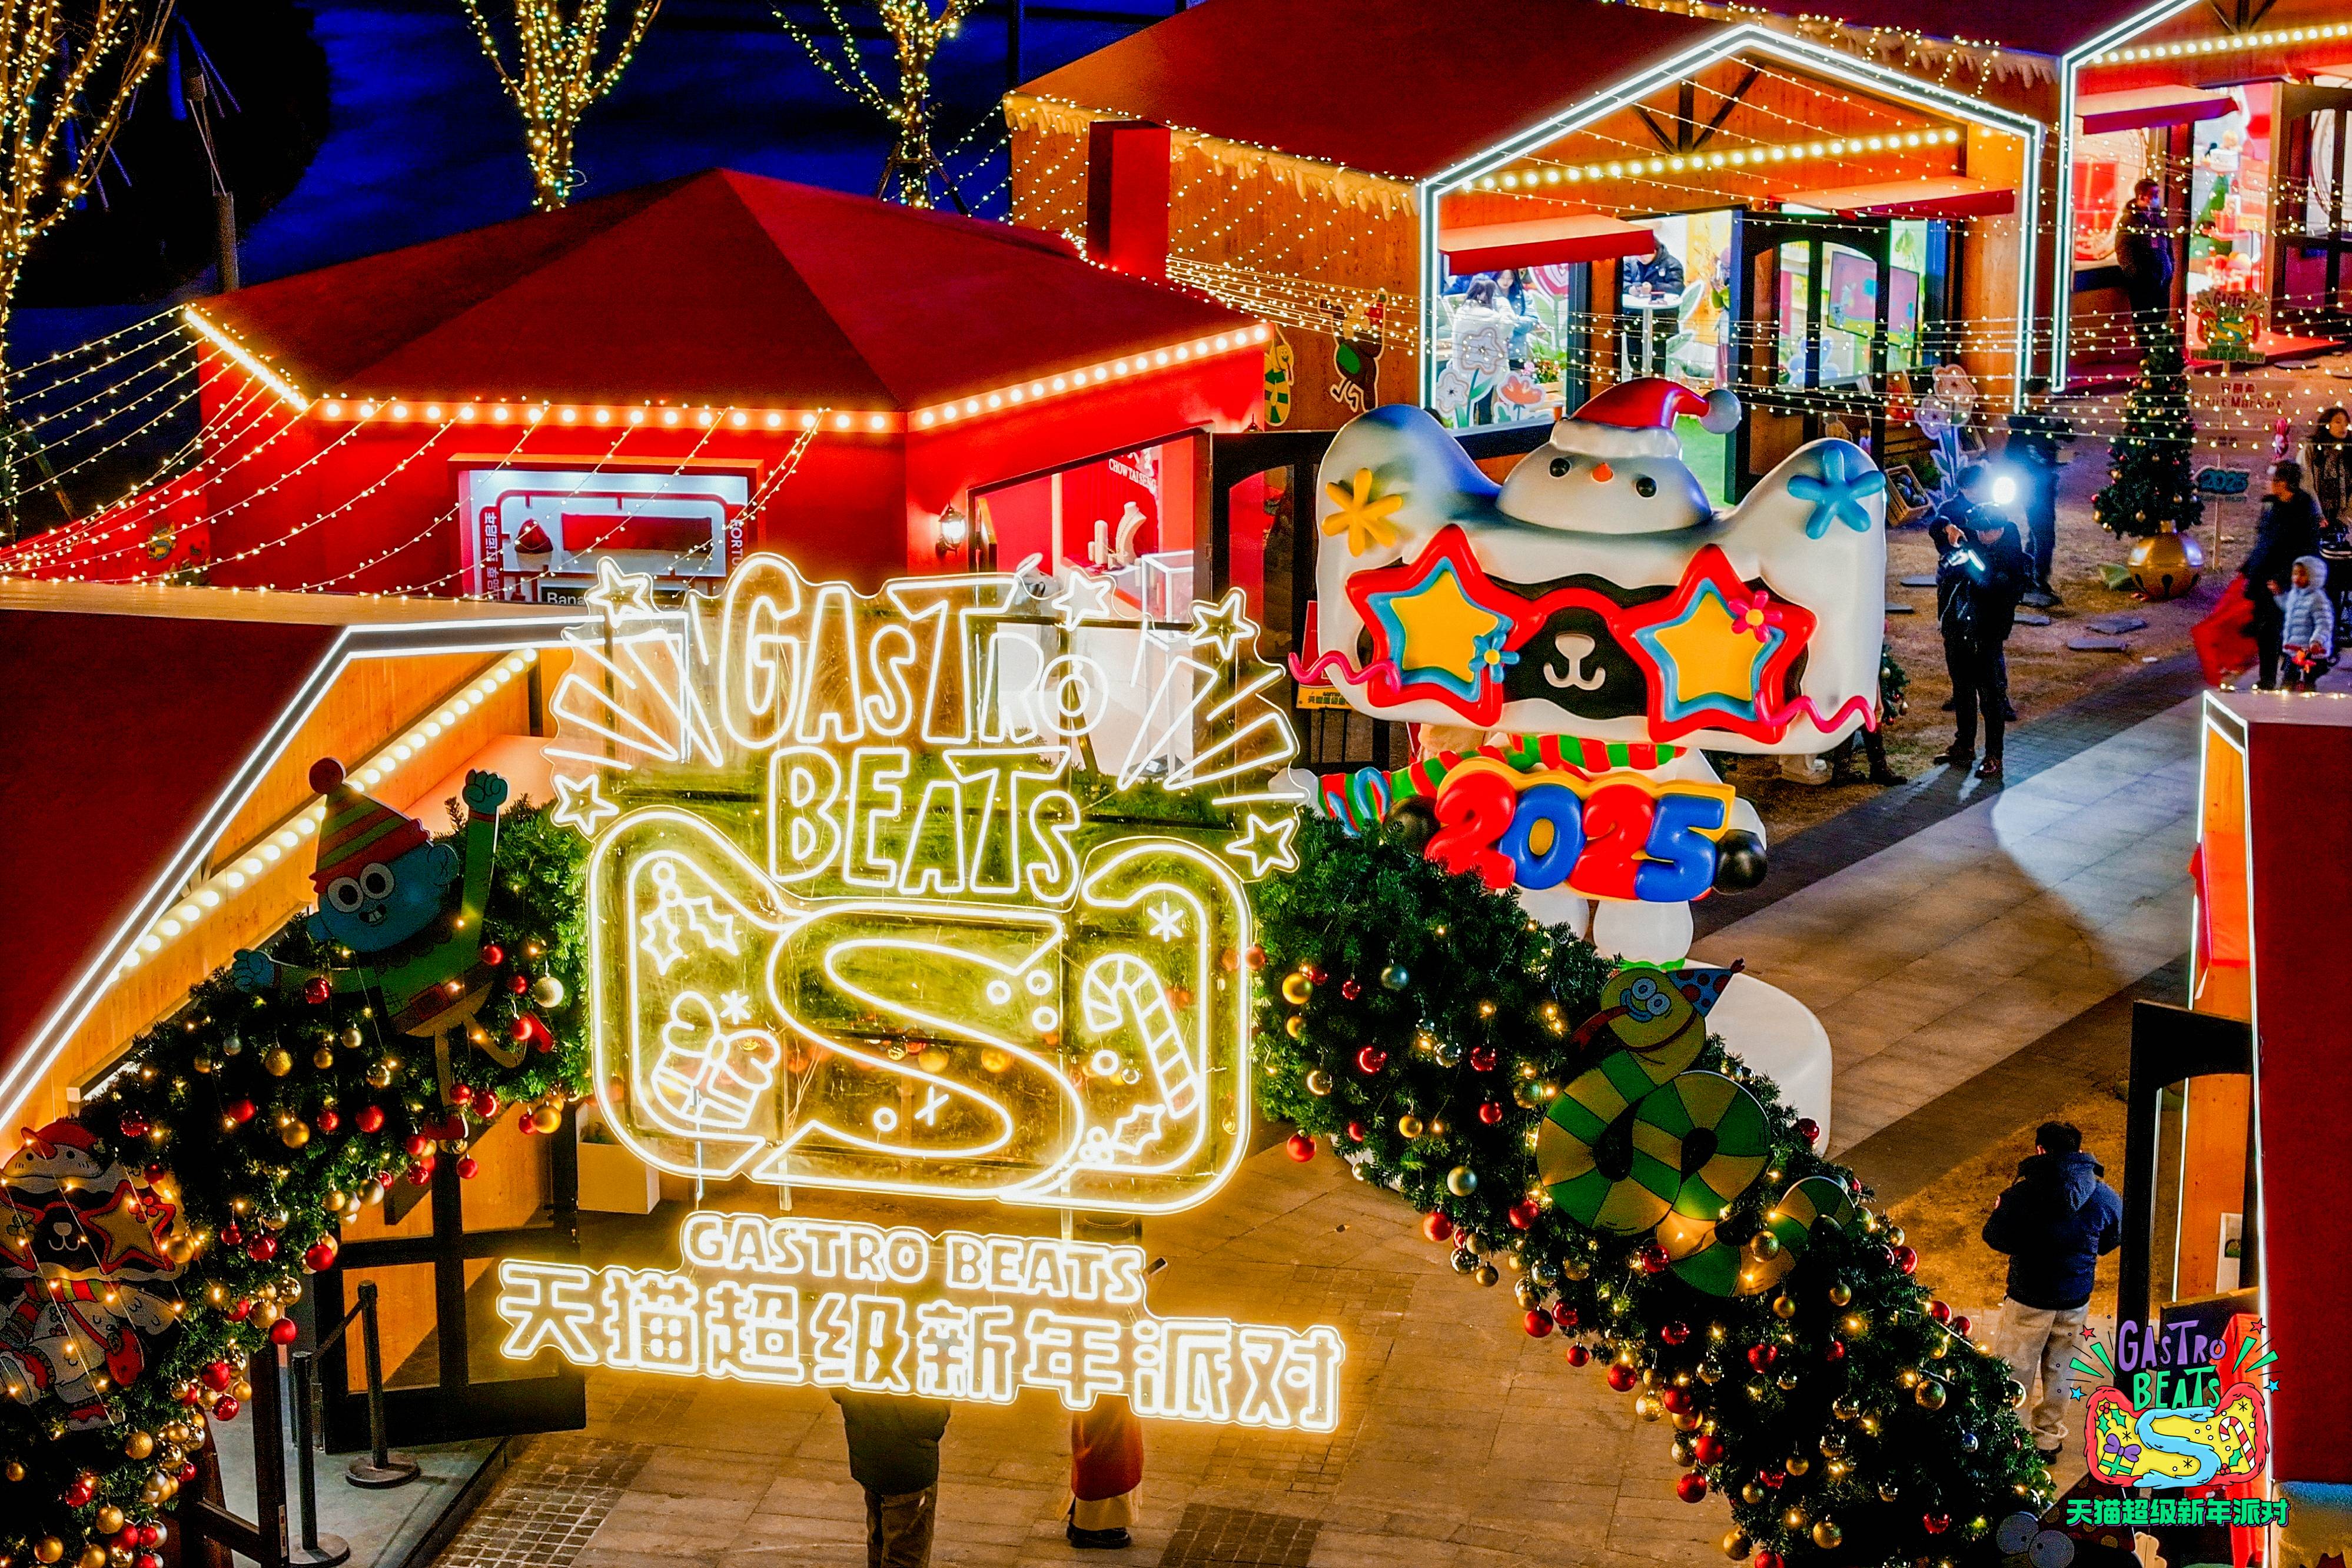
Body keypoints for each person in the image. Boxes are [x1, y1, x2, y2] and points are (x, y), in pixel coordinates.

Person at [1982, 1122, 2124, 1461]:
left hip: (2027, 1297)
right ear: (2079, 1150)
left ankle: (2012, 1439)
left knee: (2016, 1368)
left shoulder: (2020, 1194)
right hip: (2074, 1299)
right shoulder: (2103, 1195)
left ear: (2040, 1150)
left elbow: (1995, 1237)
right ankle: (2048, 1438)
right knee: (2061, 1370)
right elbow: (2114, 1236)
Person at [1934, 469, 2027, 779]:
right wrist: (1949, 530)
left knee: (1991, 697)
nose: (1980, 536)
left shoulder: (2009, 554)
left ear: (1998, 530)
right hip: (1957, 628)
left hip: (1987, 634)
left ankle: (1994, 755)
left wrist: (1970, 565)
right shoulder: (1972, 539)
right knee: (1962, 690)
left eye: (1985, 532)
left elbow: (1994, 583)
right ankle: (1964, 745)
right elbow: (1938, 529)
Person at [832, 1388, 951, 1567]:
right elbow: (931, 1420)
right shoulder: (917, 1373)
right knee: (905, 1554)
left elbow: (837, 1390)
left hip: (868, 1458)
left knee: (878, 1540)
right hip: (910, 1469)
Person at [2243, 461, 2324, 689]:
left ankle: (2296, 676)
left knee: (2296, 631)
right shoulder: (2272, 507)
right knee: (2267, 631)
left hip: (2292, 582)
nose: (2270, 483)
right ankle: (2267, 679)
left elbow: (2305, 550)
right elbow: (2263, 542)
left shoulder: (2304, 511)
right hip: (2266, 579)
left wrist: (2285, 579)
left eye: (2275, 479)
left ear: (2284, 483)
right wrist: (2251, 569)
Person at [2005, 377, 2075, 605]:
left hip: (2044, 485)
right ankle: (2037, 581)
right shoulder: (2025, 424)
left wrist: (2059, 442)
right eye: (2045, 394)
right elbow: (2017, 455)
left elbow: (2060, 442)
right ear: (2032, 396)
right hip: (2033, 487)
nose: (2049, 399)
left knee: (2037, 533)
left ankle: (2029, 577)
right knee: (2044, 535)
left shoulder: (2042, 420)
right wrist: (2043, 462)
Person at [2112, 178, 2176, 341]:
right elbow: (2123, 250)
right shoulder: (2129, 220)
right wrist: (2135, 274)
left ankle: (2160, 347)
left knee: (2162, 315)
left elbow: (2168, 244)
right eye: (2154, 194)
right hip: (2143, 278)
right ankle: (2148, 349)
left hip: (2162, 275)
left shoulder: (2158, 217)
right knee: (2144, 317)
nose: (2157, 198)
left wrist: (2171, 266)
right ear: (2142, 196)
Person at [1619, 242, 1686, 378]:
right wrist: (1630, 289)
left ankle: (1657, 385)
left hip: (1662, 321)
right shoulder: (1630, 263)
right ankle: (1637, 384)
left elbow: (1678, 288)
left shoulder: (1672, 264)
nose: (1641, 257)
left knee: (1659, 360)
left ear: (1656, 250)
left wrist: (1654, 288)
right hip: (1634, 318)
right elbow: (1619, 282)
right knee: (1635, 358)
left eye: (1645, 254)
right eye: (1638, 254)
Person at [2277, 555, 2334, 690]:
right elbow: (2289, 608)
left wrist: (2317, 641)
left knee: (2308, 679)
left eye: (2302, 574)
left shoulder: (2318, 599)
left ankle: (2309, 696)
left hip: (2311, 651)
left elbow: (2324, 623)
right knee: (2288, 677)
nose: (2297, 578)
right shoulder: (2295, 594)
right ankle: (2286, 694)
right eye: (2295, 574)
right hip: (2295, 648)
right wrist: (2279, 596)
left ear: (2314, 576)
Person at [2307, 406, 2351, 530]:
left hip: (2341, 519)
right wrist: (2317, 514)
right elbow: (2306, 482)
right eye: (2338, 422)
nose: (2343, 427)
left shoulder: (2348, 451)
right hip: (2314, 517)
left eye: (2346, 423)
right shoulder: (2312, 448)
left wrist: (2347, 516)